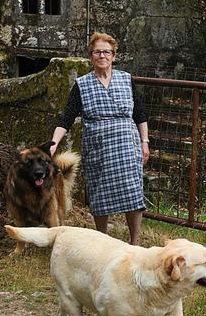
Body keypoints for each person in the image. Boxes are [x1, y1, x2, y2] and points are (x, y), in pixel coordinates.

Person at [45, 32, 151, 245]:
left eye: (106, 52)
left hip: (127, 147)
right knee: (99, 195)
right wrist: (54, 143)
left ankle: (135, 243)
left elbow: (140, 114)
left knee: (133, 195)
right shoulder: (82, 85)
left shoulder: (126, 79)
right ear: (91, 56)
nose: (102, 55)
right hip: (98, 148)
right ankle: (103, 241)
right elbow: (66, 116)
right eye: (97, 52)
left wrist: (144, 142)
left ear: (114, 56)